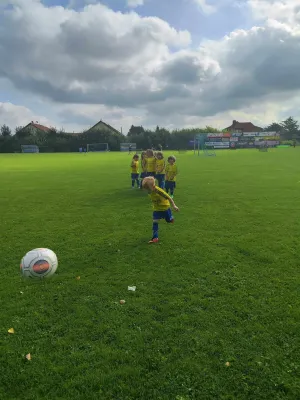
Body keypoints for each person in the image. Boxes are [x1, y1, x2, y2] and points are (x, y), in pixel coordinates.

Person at [142, 176, 179, 243]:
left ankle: (171, 218)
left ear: (153, 186)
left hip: (165, 208)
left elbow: (169, 197)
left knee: (168, 220)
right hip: (157, 210)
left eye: (147, 188)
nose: (146, 190)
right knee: (155, 222)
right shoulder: (150, 191)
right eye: (146, 189)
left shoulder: (159, 191)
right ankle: (155, 237)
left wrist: (174, 206)